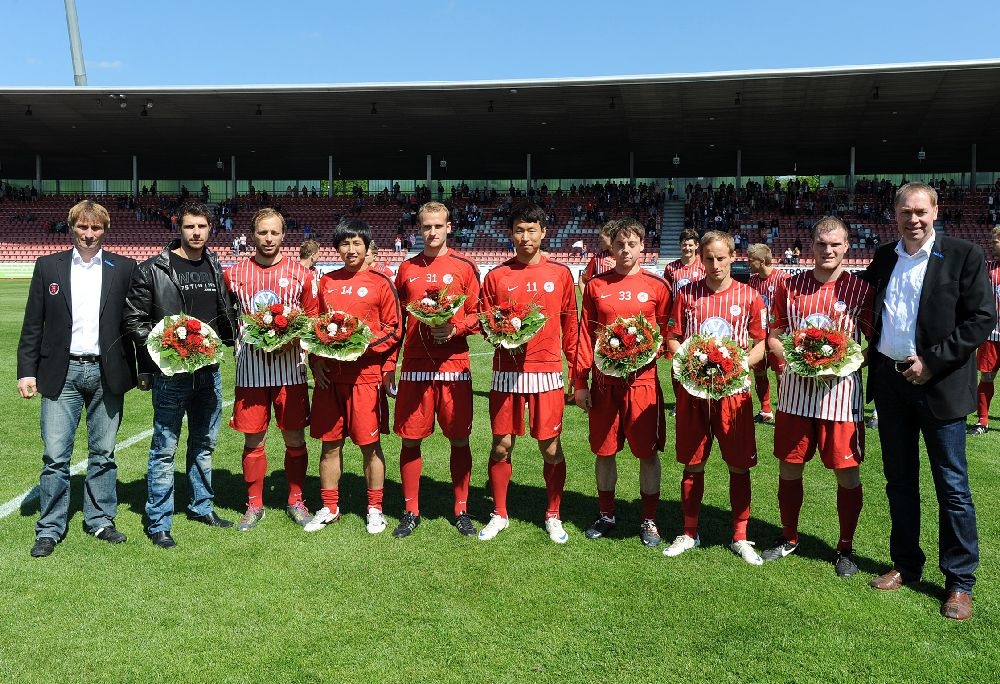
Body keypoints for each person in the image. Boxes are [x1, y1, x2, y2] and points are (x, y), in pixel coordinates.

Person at [863, 182, 996, 621]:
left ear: (936, 211)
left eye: (921, 211)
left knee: (952, 486)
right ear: (895, 215)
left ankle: (959, 582)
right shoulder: (885, 256)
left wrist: (932, 362)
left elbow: (982, 318)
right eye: (906, 212)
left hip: (939, 384)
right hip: (891, 384)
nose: (913, 219)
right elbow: (859, 302)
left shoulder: (963, 255)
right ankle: (906, 564)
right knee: (899, 481)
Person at [17, 200, 137, 558]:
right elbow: (33, 323)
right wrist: (26, 371)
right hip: (61, 371)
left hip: (107, 372)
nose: (89, 234)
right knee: (55, 456)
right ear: (71, 228)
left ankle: (100, 520)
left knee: (104, 453)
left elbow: (134, 323)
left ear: (106, 229)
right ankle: (50, 528)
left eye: (96, 227)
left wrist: (145, 370)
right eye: (82, 227)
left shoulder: (124, 267)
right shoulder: (48, 266)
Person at [761, 217, 873, 577]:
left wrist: (842, 364)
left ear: (847, 246)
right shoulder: (789, 286)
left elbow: (873, 343)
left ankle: (845, 548)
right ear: (811, 246)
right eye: (822, 244)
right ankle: (789, 536)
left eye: (835, 244)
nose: (828, 250)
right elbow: (774, 335)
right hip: (795, 395)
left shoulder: (860, 290)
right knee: (790, 465)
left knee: (847, 473)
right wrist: (796, 360)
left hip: (841, 397)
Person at [124, 201, 239, 549]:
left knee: (204, 445)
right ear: (179, 227)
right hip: (171, 375)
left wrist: (233, 334)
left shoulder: (214, 265)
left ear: (210, 228)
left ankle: (202, 507)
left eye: (202, 226)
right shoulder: (152, 269)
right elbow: (133, 320)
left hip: (209, 372)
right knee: (164, 449)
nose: (196, 232)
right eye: (190, 226)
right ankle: (159, 521)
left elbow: (224, 313)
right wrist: (164, 351)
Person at [661, 230, 767, 565]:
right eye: (709, 258)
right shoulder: (687, 294)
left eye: (721, 258)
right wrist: (687, 363)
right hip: (694, 393)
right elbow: (673, 337)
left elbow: (761, 343)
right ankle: (689, 531)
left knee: (739, 464)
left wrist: (739, 365)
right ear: (701, 259)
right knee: (693, 462)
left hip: (734, 394)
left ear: (733, 257)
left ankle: (740, 536)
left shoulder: (750, 296)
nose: (715, 264)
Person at [478, 201, 578, 543]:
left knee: (550, 448)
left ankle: (553, 514)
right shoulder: (496, 276)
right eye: (519, 230)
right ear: (511, 234)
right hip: (506, 373)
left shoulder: (560, 274)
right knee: (501, 446)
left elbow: (571, 328)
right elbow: (485, 322)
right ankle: (499, 513)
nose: (525, 237)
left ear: (544, 233)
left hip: (547, 372)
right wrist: (501, 335)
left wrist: (577, 374)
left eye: (531, 230)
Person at [574, 218, 670, 547]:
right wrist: (580, 381)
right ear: (611, 248)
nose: (626, 250)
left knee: (647, 453)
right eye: (620, 244)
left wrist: (648, 352)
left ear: (643, 246)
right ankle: (606, 514)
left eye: (632, 244)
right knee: (604, 451)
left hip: (643, 384)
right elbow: (585, 337)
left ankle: (649, 519)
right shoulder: (596, 286)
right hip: (604, 385)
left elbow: (666, 335)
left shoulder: (658, 287)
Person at [224, 208, 321, 531]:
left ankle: (296, 500)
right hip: (250, 370)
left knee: (294, 437)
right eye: (262, 232)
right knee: (254, 440)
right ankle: (254, 505)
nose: (268, 238)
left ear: (283, 235)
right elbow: (226, 317)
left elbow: (312, 319)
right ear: (252, 235)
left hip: (290, 369)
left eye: (274, 232)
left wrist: (292, 339)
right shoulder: (234, 274)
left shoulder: (301, 274)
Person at [388, 201, 481, 538]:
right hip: (415, 366)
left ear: (449, 227)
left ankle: (461, 509)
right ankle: (410, 511)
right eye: (426, 226)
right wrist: (390, 364)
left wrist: (456, 328)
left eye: (438, 226)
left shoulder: (465, 266)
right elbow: (396, 322)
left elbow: (479, 315)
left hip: (454, 366)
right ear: (419, 228)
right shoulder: (406, 269)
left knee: (459, 438)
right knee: (410, 440)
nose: (432, 232)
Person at [304, 219, 402, 535]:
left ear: (367, 246)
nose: (351, 249)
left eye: (357, 243)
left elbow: (394, 329)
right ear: (337, 248)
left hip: (365, 378)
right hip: (330, 379)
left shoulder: (381, 282)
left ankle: (375, 509)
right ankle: (330, 507)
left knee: (369, 445)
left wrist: (360, 346)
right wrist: (315, 360)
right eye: (345, 244)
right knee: (329, 445)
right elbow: (313, 325)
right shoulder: (326, 282)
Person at [747, 243, 789, 423]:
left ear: (762, 261)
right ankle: (765, 410)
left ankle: (784, 411)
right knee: (759, 372)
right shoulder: (753, 281)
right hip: (759, 335)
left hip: (779, 336)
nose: (748, 263)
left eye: (751, 260)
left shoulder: (784, 279)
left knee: (782, 375)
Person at [968, 225, 1000, 435]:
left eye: (995, 241)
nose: (991, 244)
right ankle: (983, 421)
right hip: (992, 334)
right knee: (987, 377)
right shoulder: (987, 268)